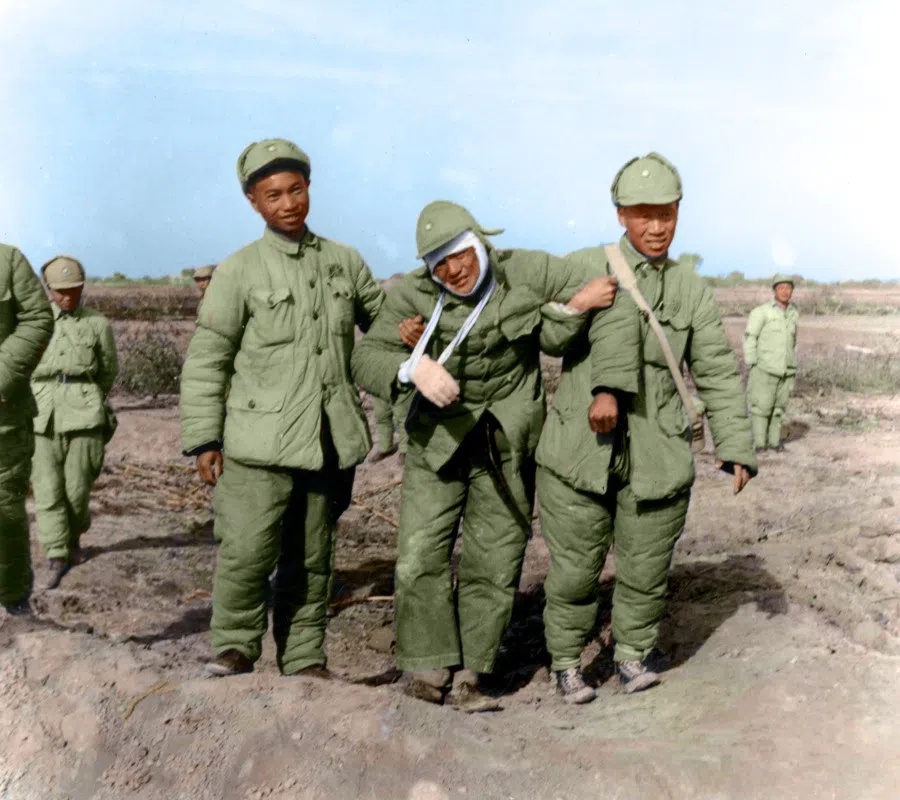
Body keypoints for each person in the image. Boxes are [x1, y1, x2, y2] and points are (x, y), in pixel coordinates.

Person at [351, 200, 637, 711]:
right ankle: (426, 667)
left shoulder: (524, 268)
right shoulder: (412, 296)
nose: (453, 270)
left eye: (459, 254)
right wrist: (410, 368)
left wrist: (579, 307)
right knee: (420, 556)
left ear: (479, 241)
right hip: (436, 443)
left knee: (497, 557)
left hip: (506, 444)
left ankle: (472, 675)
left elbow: (602, 278)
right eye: (438, 264)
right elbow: (364, 356)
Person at [536, 153, 758, 702]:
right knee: (574, 570)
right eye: (641, 215)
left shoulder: (690, 287)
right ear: (619, 215)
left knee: (645, 563)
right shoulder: (585, 262)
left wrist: (734, 446)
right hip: (579, 448)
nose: (655, 228)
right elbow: (547, 336)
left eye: (665, 214)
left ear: (679, 212)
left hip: (657, 449)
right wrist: (575, 305)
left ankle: (632, 653)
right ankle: (565, 662)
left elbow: (715, 370)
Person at [180, 138, 386, 678]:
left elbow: (383, 327)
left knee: (313, 559)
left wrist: (407, 329)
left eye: (296, 190)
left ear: (309, 188)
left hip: (328, 442)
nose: (288, 203)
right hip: (256, 446)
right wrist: (204, 438)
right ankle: (235, 647)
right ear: (253, 202)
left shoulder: (345, 262)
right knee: (247, 553)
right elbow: (207, 359)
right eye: (273, 195)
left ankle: (303, 658)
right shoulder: (238, 271)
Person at [30, 256, 118, 591]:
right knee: (47, 489)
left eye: (74, 290)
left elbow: (107, 370)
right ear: (48, 290)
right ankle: (56, 554)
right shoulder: (34, 323)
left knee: (77, 491)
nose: (68, 296)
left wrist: (87, 396)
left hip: (84, 414)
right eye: (61, 291)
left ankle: (74, 539)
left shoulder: (97, 324)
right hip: (41, 414)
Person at [0, 244, 54, 612]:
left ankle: (11, 603)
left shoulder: (8, 261)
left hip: (3, 415)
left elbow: (38, 318)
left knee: (4, 505)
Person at [743, 275, 799, 451]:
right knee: (761, 408)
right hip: (764, 369)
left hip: (786, 370)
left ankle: (775, 442)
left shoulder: (793, 313)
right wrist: (752, 363)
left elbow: (793, 340)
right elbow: (750, 337)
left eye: (788, 288)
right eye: (781, 287)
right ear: (774, 290)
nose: (785, 291)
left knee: (778, 408)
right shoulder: (761, 312)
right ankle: (760, 444)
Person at [369, 393, 413, 463]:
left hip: (400, 385)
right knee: (382, 416)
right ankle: (385, 448)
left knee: (402, 416)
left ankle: (405, 450)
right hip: (379, 386)